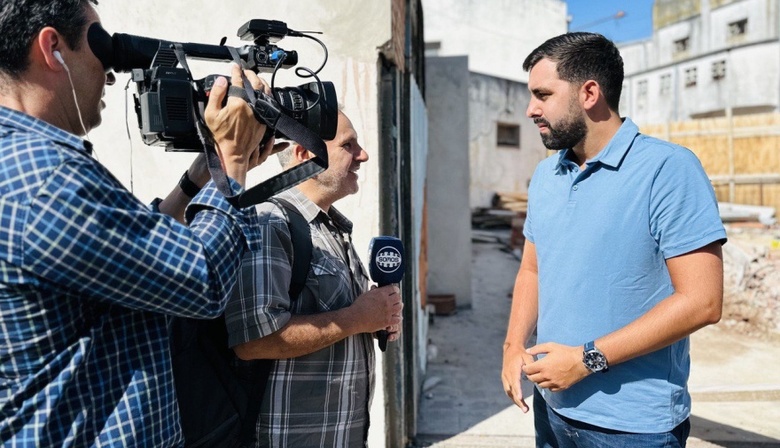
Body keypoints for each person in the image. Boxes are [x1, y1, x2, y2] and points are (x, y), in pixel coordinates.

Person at [0, 1, 274, 446]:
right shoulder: (49, 179)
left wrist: (202, 177)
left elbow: (127, 255)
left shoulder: (20, 163)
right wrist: (235, 160)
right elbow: (201, 278)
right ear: (52, 48)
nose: (110, 74)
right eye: (102, 51)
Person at [501, 32, 726, 448]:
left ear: (589, 92)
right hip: (552, 411)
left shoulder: (668, 170)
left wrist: (585, 360)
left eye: (542, 94)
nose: (531, 109)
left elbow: (703, 301)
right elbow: (533, 269)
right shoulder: (546, 176)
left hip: (634, 428)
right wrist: (514, 345)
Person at [226, 110, 403, 448]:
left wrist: (378, 316)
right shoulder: (269, 221)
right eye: (348, 146)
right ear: (304, 154)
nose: (362, 155)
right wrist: (355, 319)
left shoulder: (332, 229)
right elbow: (253, 341)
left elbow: (342, 321)